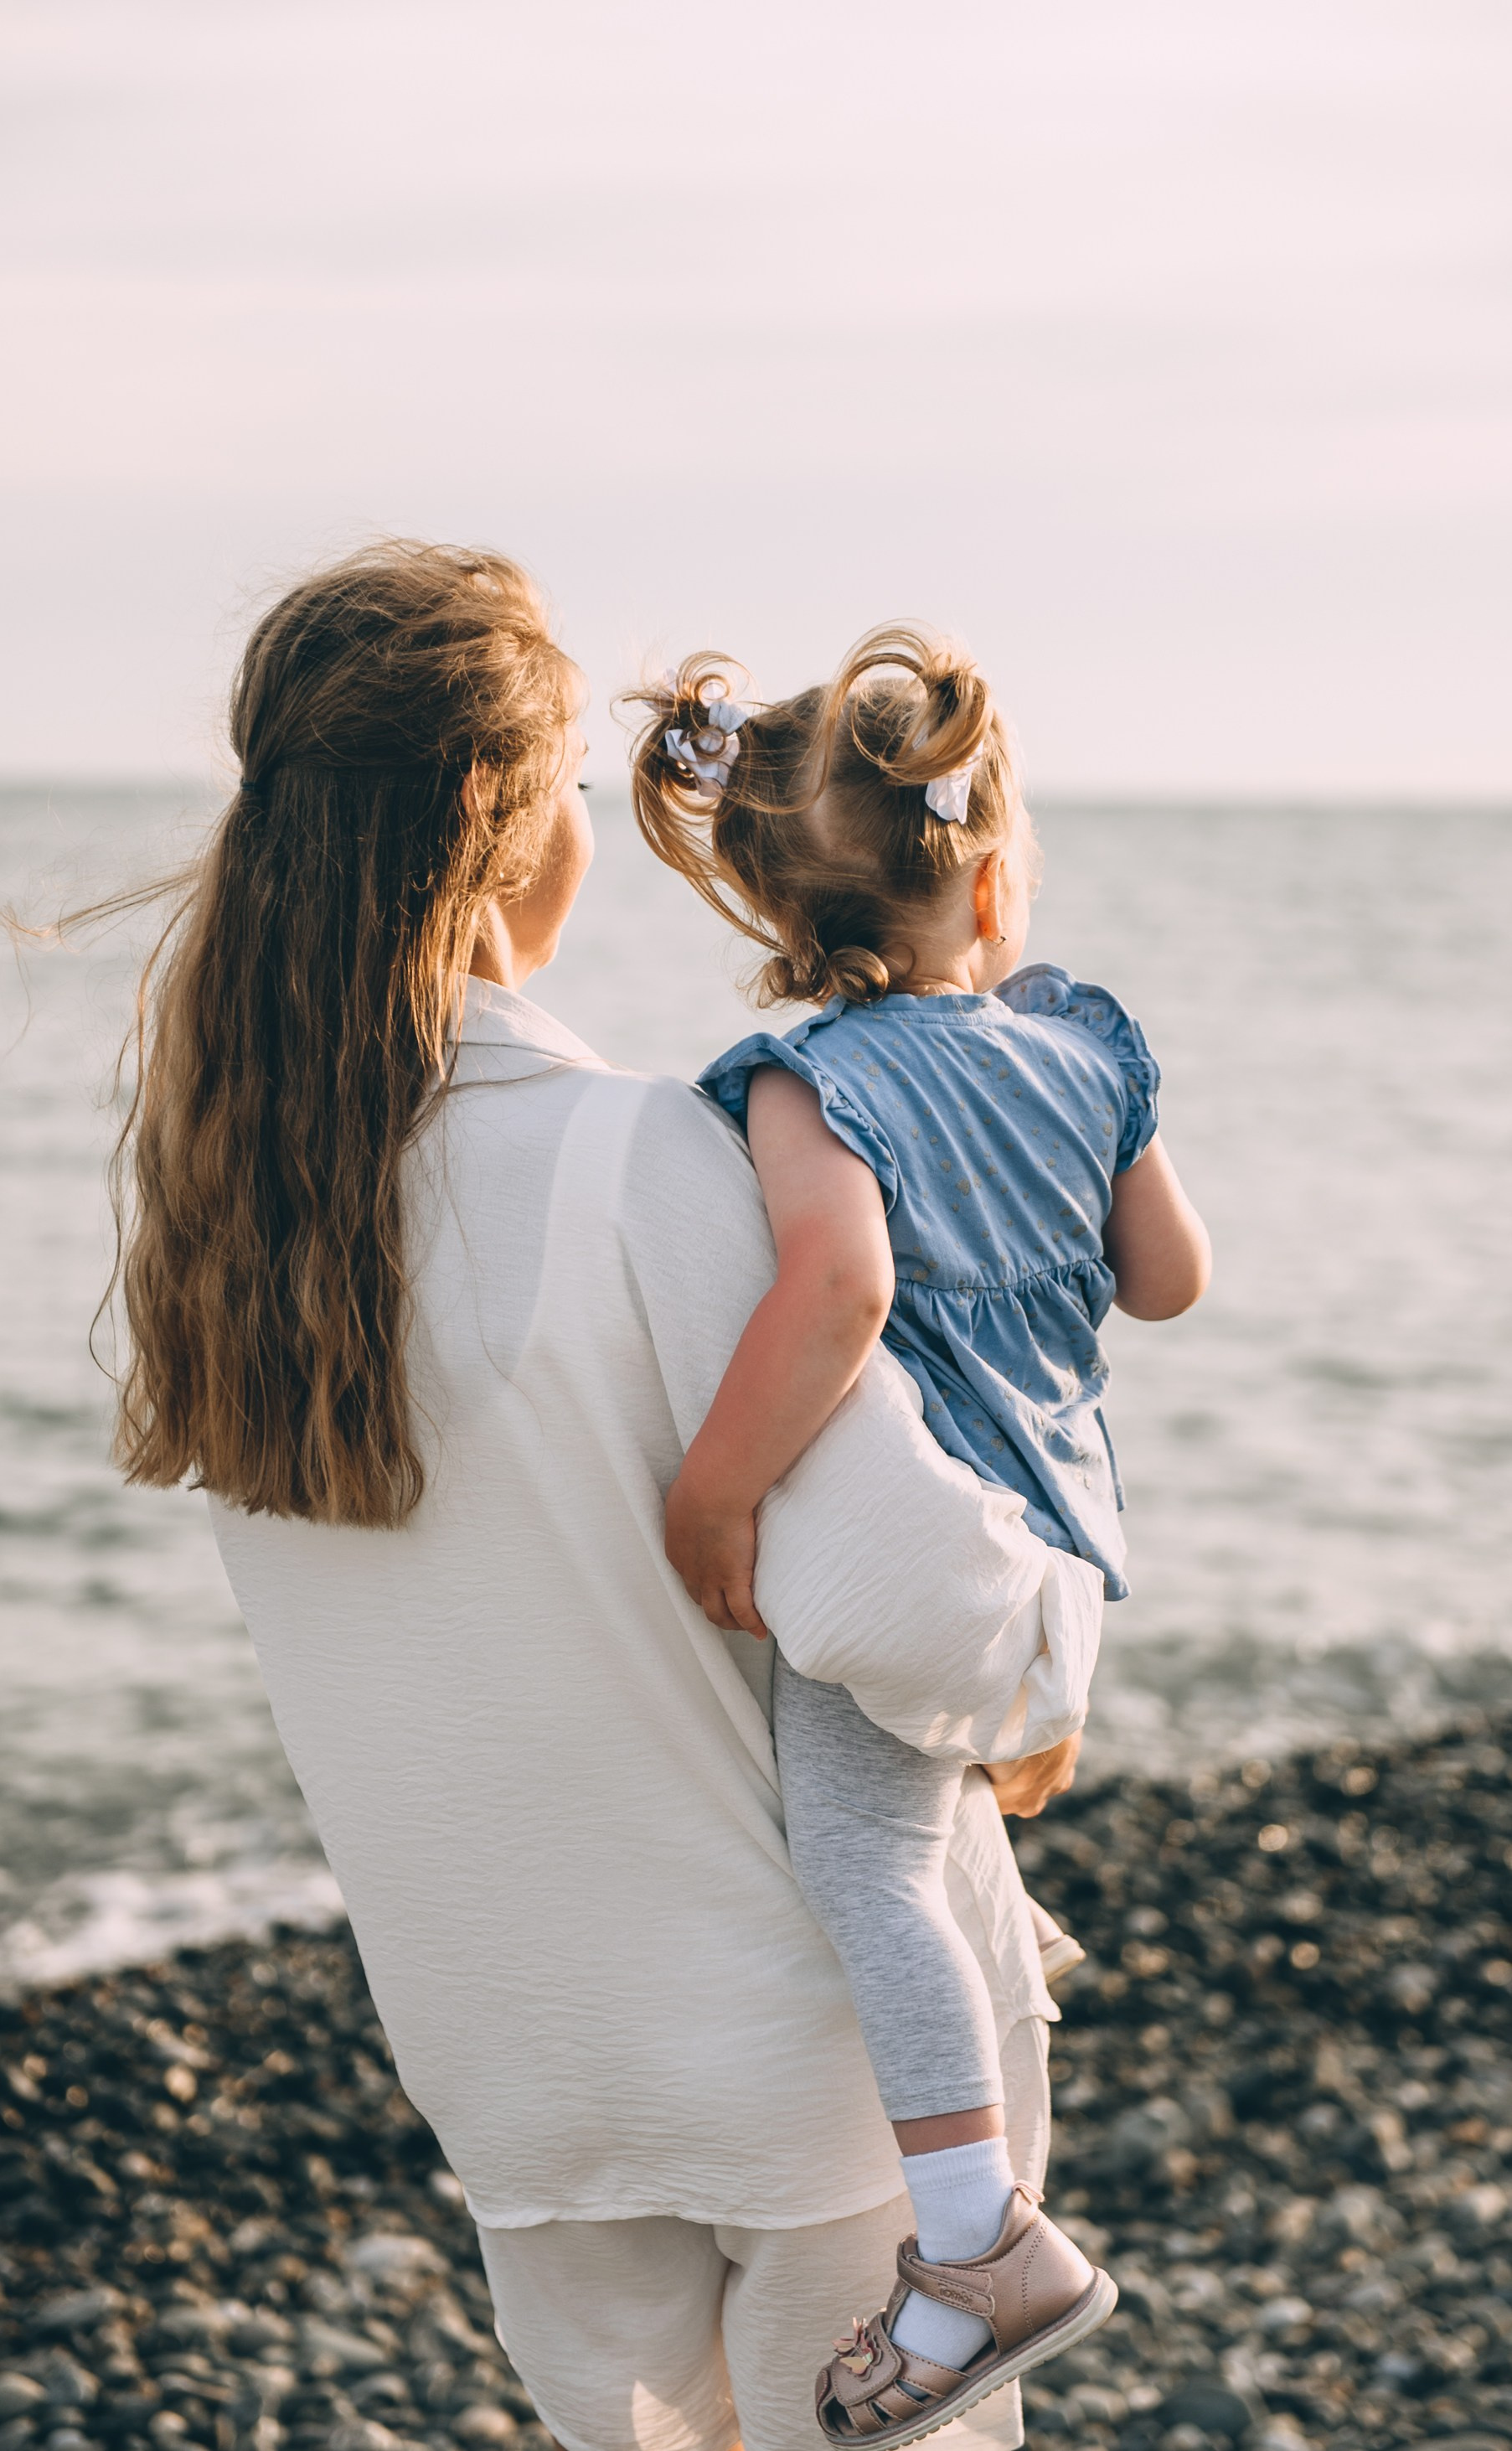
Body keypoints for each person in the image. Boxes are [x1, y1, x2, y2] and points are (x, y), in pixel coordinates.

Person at [101, 543, 1105, 2451]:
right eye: (564, 785)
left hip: (526, 2071)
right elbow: (897, 1595)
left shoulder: (234, 1223)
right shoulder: (640, 1151)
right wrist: (1050, 1655)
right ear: (499, 816)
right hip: (802, 2069)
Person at [627, 631, 1211, 2438]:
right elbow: (1169, 1281)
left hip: (926, 1564)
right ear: (985, 860)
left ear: (778, 910)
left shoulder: (811, 1087)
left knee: (860, 1858)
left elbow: (841, 1286)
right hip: (1061, 1561)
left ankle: (978, 2238)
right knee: (931, 1829)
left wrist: (711, 1487)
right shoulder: (1084, 1038)